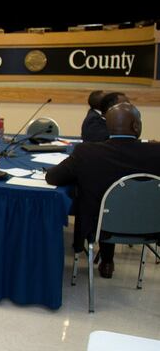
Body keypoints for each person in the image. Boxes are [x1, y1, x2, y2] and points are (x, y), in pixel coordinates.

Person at [46, 103, 160, 279]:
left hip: (99, 227)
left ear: (108, 127)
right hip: (151, 226)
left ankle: (106, 261)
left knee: (98, 203)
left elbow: (53, 178)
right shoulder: (156, 152)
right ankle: (108, 261)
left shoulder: (87, 152)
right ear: (136, 126)